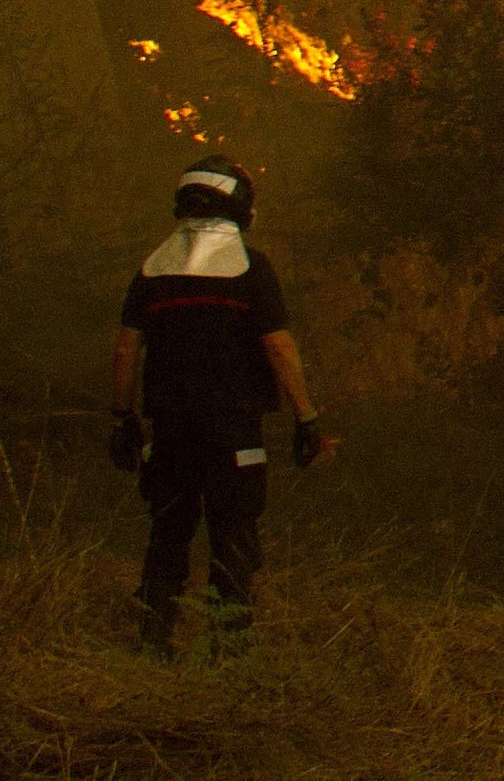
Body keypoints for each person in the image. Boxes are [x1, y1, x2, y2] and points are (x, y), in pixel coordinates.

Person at [107, 153, 334, 653]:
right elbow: (279, 346)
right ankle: (228, 647)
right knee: (234, 535)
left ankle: (152, 641)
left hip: (168, 429)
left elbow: (126, 348)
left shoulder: (151, 271)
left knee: (168, 532)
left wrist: (122, 417)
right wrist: (306, 417)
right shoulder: (252, 270)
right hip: (235, 432)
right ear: (240, 209)